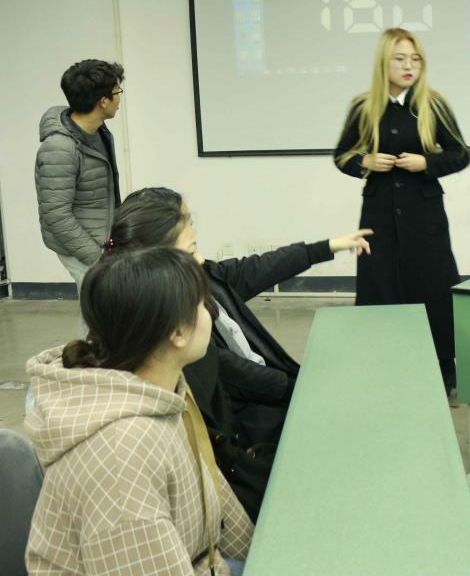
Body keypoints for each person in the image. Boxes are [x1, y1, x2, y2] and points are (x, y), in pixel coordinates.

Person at [106, 187, 371, 520]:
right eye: (186, 221)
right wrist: (301, 389)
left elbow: (262, 267)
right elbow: (237, 376)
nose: (194, 229)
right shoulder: (177, 329)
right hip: (251, 419)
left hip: (265, 397)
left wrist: (327, 247)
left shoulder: (202, 276)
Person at [25, 247, 253, 575]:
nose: (210, 313)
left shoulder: (161, 393)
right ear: (177, 332)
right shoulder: (122, 456)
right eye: (203, 304)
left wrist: (264, 554)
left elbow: (216, 498)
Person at [333, 27, 470, 396]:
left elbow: (460, 154)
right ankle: (384, 365)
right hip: (379, 216)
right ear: (384, 62)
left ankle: (443, 367)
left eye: (415, 59)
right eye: (400, 59)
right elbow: (341, 156)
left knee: (433, 288)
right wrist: (365, 162)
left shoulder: (433, 104)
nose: (409, 66)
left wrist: (427, 163)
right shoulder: (364, 107)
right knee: (381, 288)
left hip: (425, 216)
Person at [35, 59, 124, 290]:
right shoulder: (60, 148)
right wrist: (96, 257)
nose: (120, 99)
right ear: (103, 101)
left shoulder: (99, 131)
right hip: (83, 246)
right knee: (99, 306)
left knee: (108, 304)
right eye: (117, 92)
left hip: (102, 238)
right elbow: (56, 215)